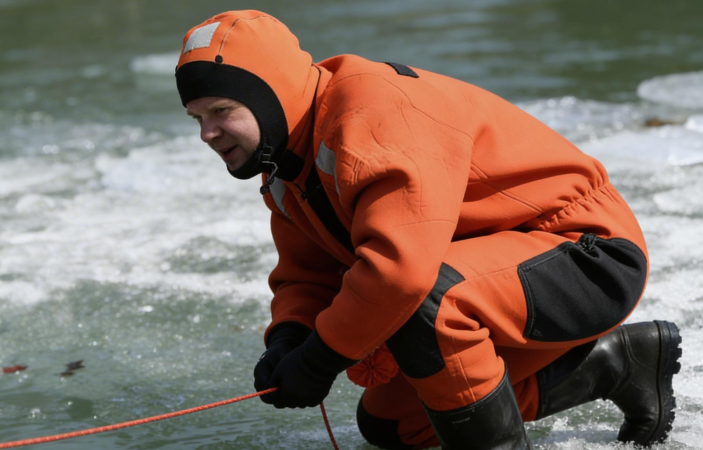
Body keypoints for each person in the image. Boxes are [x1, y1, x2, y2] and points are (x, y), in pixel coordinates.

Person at [175, 10, 682, 450]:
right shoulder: (285, 166)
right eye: (197, 117)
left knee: (427, 302)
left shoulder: (372, 114)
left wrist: (320, 359)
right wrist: (290, 338)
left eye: (222, 111)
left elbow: (400, 274)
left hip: (587, 255)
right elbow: (307, 275)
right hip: (488, 275)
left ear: (272, 99)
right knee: (394, 425)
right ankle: (618, 363)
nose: (208, 134)